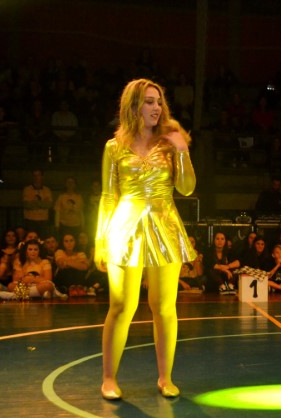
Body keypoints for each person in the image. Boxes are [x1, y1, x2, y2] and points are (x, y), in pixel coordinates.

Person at [95, 78, 197, 401]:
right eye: (149, 102)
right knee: (121, 305)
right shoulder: (113, 147)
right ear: (133, 106)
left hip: (165, 227)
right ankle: (109, 379)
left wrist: (182, 151)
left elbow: (187, 189)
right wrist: (100, 241)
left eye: (159, 102)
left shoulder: (169, 143)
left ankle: (165, 378)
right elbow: (108, 197)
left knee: (164, 306)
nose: (157, 107)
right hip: (123, 229)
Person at [22, 169, 53, 238]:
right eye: (34, 175)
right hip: (30, 220)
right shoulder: (27, 189)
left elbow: (49, 205)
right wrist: (42, 203)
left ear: (42, 176)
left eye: (38, 175)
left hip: (43, 220)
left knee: (43, 239)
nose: (36, 177)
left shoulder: (47, 190)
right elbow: (27, 205)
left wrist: (34, 202)